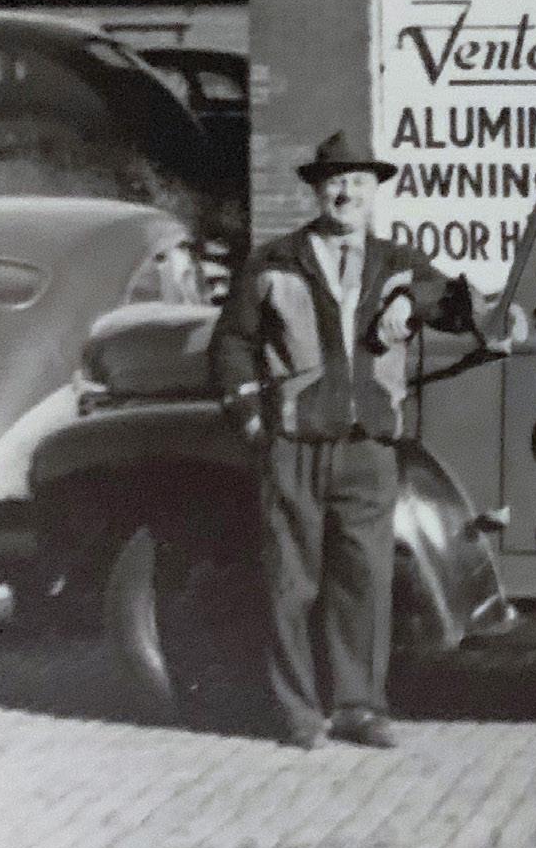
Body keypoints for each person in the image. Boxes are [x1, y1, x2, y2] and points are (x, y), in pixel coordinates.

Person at [210, 129, 515, 750]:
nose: (346, 193)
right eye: (335, 182)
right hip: (295, 445)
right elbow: (232, 344)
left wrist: (411, 298)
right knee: (291, 584)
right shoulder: (273, 262)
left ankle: (359, 709)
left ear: (374, 192)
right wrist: (253, 421)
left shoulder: (397, 261)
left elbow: (461, 305)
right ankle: (297, 713)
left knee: (365, 582)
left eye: (357, 182)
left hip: (368, 449)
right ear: (317, 191)